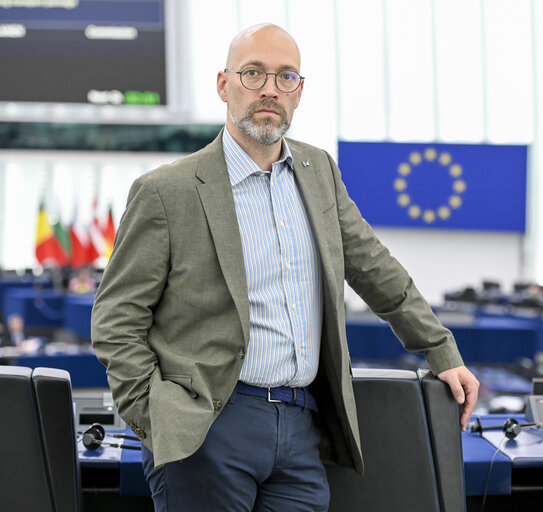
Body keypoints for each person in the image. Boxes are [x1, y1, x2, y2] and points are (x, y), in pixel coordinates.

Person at [91, 23, 479, 512]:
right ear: (223, 84)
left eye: (285, 76)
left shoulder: (319, 174)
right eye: (253, 73)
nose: (270, 89)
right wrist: (159, 419)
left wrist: (442, 350)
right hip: (207, 429)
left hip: (301, 432)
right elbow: (115, 322)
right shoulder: (168, 191)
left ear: (299, 92)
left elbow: (380, 274)